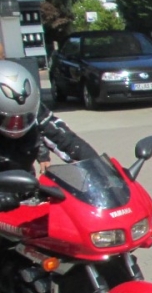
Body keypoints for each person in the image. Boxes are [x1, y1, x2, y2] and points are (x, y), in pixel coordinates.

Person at [0, 60, 98, 210]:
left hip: (24, 191)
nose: (16, 124)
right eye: (7, 119)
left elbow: (65, 139)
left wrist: (100, 169)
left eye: (25, 117)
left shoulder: (35, 111)